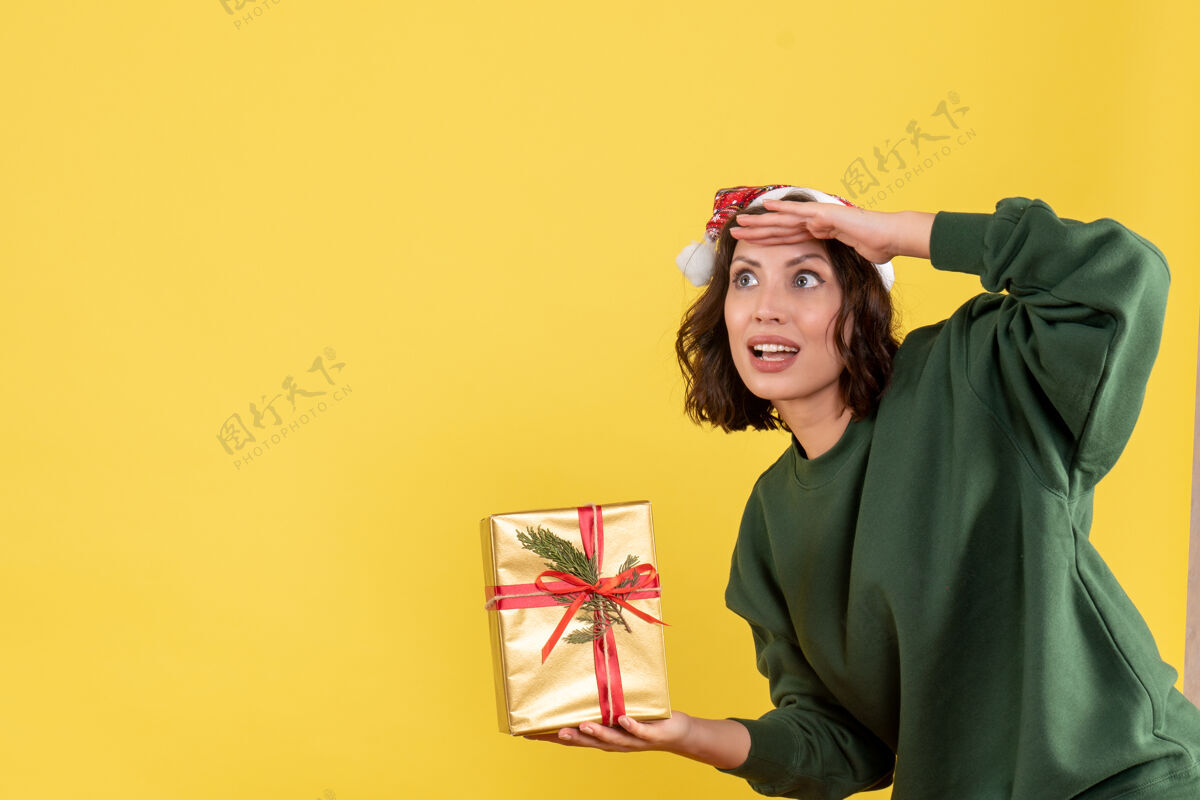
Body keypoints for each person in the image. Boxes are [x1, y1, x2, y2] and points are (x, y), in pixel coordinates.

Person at [527, 186, 1200, 798]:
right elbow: (844, 743)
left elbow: (1121, 275)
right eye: (745, 278)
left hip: (1121, 780)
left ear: (862, 302)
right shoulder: (769, 520)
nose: (767, 308)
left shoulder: (970, 375)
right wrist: (679, 732)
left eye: (806, 278)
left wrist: (903, 232)